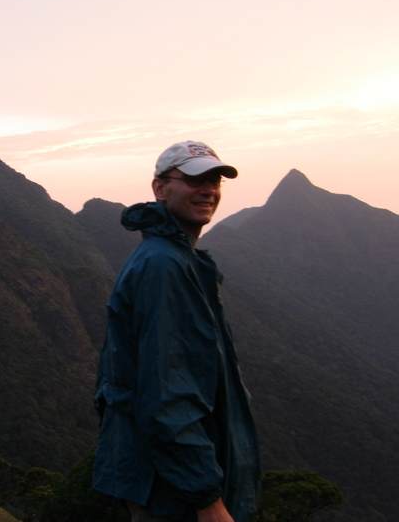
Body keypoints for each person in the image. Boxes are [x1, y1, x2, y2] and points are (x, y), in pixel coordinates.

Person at [93, 141, 261, 522]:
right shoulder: (164, 267)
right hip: (171, 492)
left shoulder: (179, 259)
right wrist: (207, 499)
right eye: (195, 179)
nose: (209, 189)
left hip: (168, 482)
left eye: (215, 180)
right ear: (160, 187)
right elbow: (168, 394)